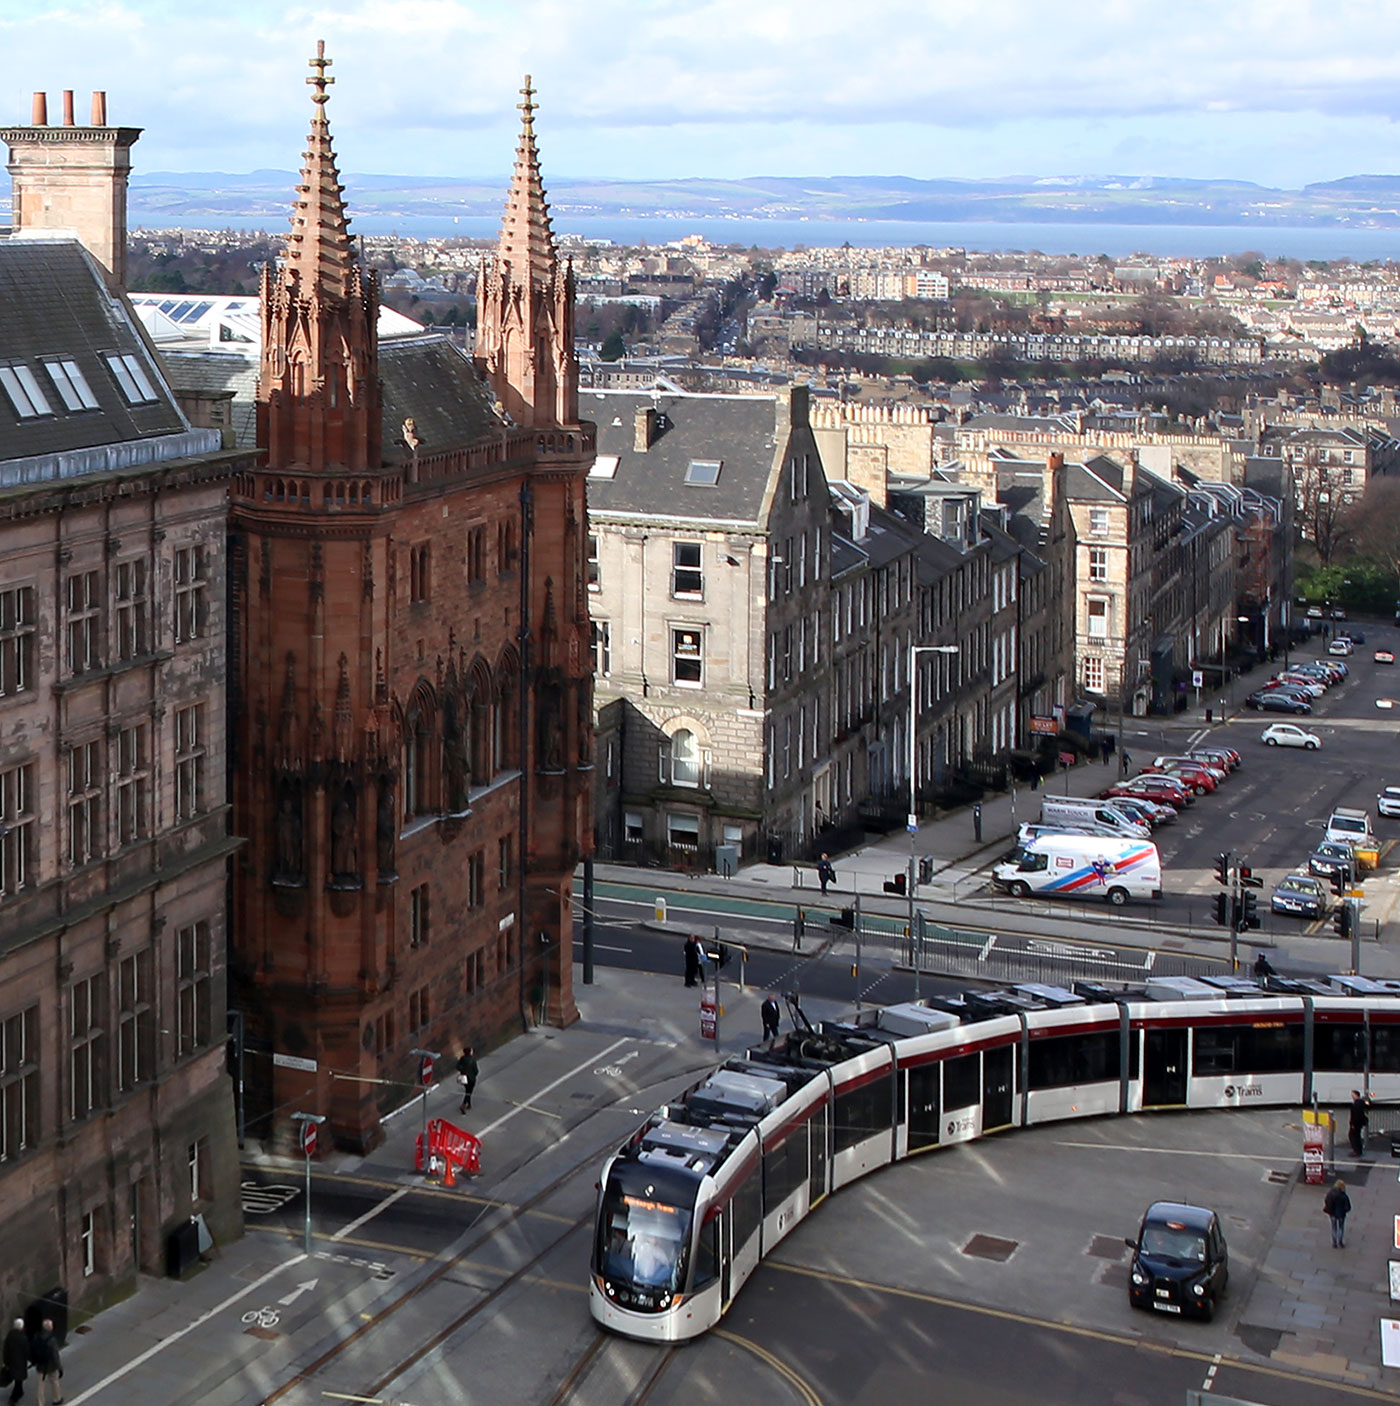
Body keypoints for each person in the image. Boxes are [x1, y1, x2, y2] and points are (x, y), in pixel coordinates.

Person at [28, 1321, 59, 1406]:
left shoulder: (37, 1337)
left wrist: (33, 1361)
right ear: (50, 1328)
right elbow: (55, 1354)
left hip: (40, 1365)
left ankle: (40, 1403)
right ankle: (56, 1399)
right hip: (51, 1365)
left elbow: (32, 1350)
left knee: (40, 1385)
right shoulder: (52, 1339)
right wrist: (59, 1366)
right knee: (54, 1382)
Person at [2, 1318, 27, 1405]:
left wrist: (6, 1361)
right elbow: (26, 1351)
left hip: (12, 1362)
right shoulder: (23, 1338)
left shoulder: (10, 1336)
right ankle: (13, 1398)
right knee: (18, 1381)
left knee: (18, 1380)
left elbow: (6, 1350)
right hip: (20, 1363)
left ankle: (19, 1392)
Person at [1324, 1178, 1352, 1248]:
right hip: (1341, 1214)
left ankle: (1334, 1242)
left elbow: (1327, 1202)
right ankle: (1340, 1241)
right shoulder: (1344, 1196)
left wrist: (1329, 1210)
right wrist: (1345, 1211)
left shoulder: (1330, 1193)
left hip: (1332, 1213)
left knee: (1334, 1228)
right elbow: (1348, 1207)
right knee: (1341, 1228)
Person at [455, 1045, 478, 1114]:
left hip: (464, 1078)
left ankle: (469, 1104)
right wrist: (473, 1075)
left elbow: (457, 1066)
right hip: (471, 1078)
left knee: (467, 1091)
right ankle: (464, 1105)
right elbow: (476, 1071)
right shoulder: (473, 1060)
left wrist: (463, 1071)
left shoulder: (462, 1058)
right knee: (469, 1092)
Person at [1349, 1089, 1371, 1157]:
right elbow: (1368, 1106)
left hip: (1356, 1123)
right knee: (1357, 1136)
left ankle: (1356, 1151)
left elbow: (1355, 1115)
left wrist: (1352, 1124)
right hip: (1360, 1122)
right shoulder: (1361, 1102)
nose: (1352, 1096)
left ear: (1356, 1095)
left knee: (1353, 1136)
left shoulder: (1356, 1104)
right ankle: (1358, 1150)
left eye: (1353, 1095)